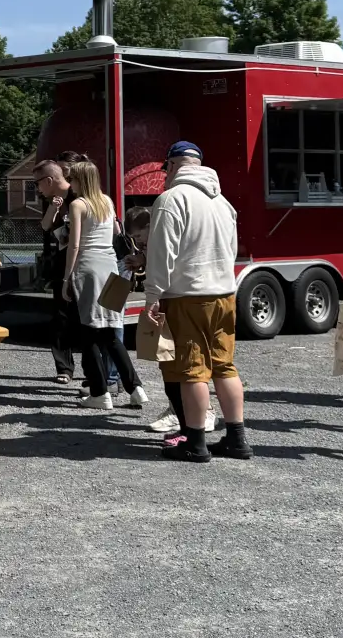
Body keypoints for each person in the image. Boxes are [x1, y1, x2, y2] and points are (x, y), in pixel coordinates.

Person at [143, 141, 250, 462]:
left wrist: (153, 294)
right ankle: (237, 438)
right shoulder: (223, 201)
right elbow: (231, 249)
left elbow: (162, 253)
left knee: (193, 370)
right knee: (224, 366)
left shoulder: (171, 199)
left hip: (188, 295)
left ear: (173, 166)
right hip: (225, 292)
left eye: (166, 169)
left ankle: (195, 441)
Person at [122, 206, 217, 437]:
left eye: (138, 236)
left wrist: (152, 299)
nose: (137, 241)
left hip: (177, 299)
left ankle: (197, 414)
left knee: (183, 361)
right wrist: (142, 259)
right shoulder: (154, 239)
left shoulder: (162, 235)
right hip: (173, 298)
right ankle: (184, 411)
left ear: (149, 226)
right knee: (172, 359)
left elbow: (166, 263)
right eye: (133, 238)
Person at [63, 160, 147, 410]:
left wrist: (67, 278)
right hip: (110, 266)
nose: (70, 184)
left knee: (88, 331)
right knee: (110, 332)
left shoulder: (78, 205)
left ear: (81, 180)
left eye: (73, 179)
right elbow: (113, 233)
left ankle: (100, 392)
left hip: (88, 269)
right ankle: (135, 388)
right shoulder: (107, 202)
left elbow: (75, 245)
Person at [34, 156, 82, 384]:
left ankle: (102, 374)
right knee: (60, 317)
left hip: (82, 262)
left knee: (85, 318)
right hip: (60, 260)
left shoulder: (78, 195)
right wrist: (52, 209)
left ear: (50, 179)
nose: (37, 189)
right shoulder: (52, 199)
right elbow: (45, 226)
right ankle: (64, 367)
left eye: (38, 183)